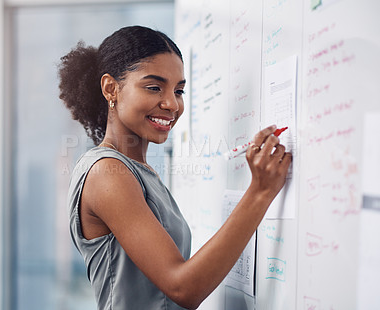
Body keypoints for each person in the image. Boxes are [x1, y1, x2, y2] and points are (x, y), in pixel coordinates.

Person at [58, 25, 291, 310]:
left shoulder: (138, 171)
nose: (171, 104)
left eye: (178, 90)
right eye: (154, 87)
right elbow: (183, 287)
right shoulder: (107, 174)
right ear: (111, 88)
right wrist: (260, 192)